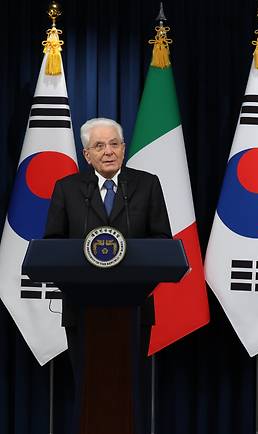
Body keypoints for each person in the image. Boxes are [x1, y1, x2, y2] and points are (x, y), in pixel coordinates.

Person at [44, 117, 171, 434]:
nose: (109, 151)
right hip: (82, 309)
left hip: (134, 309)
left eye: (114, 144)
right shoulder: (67, 189)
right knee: (87, 388)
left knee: (128, 390)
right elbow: (53, 245)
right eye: (99, 146)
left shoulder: (147, 184)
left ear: (124, 148)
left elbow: (162, 242)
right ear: (86, 154)